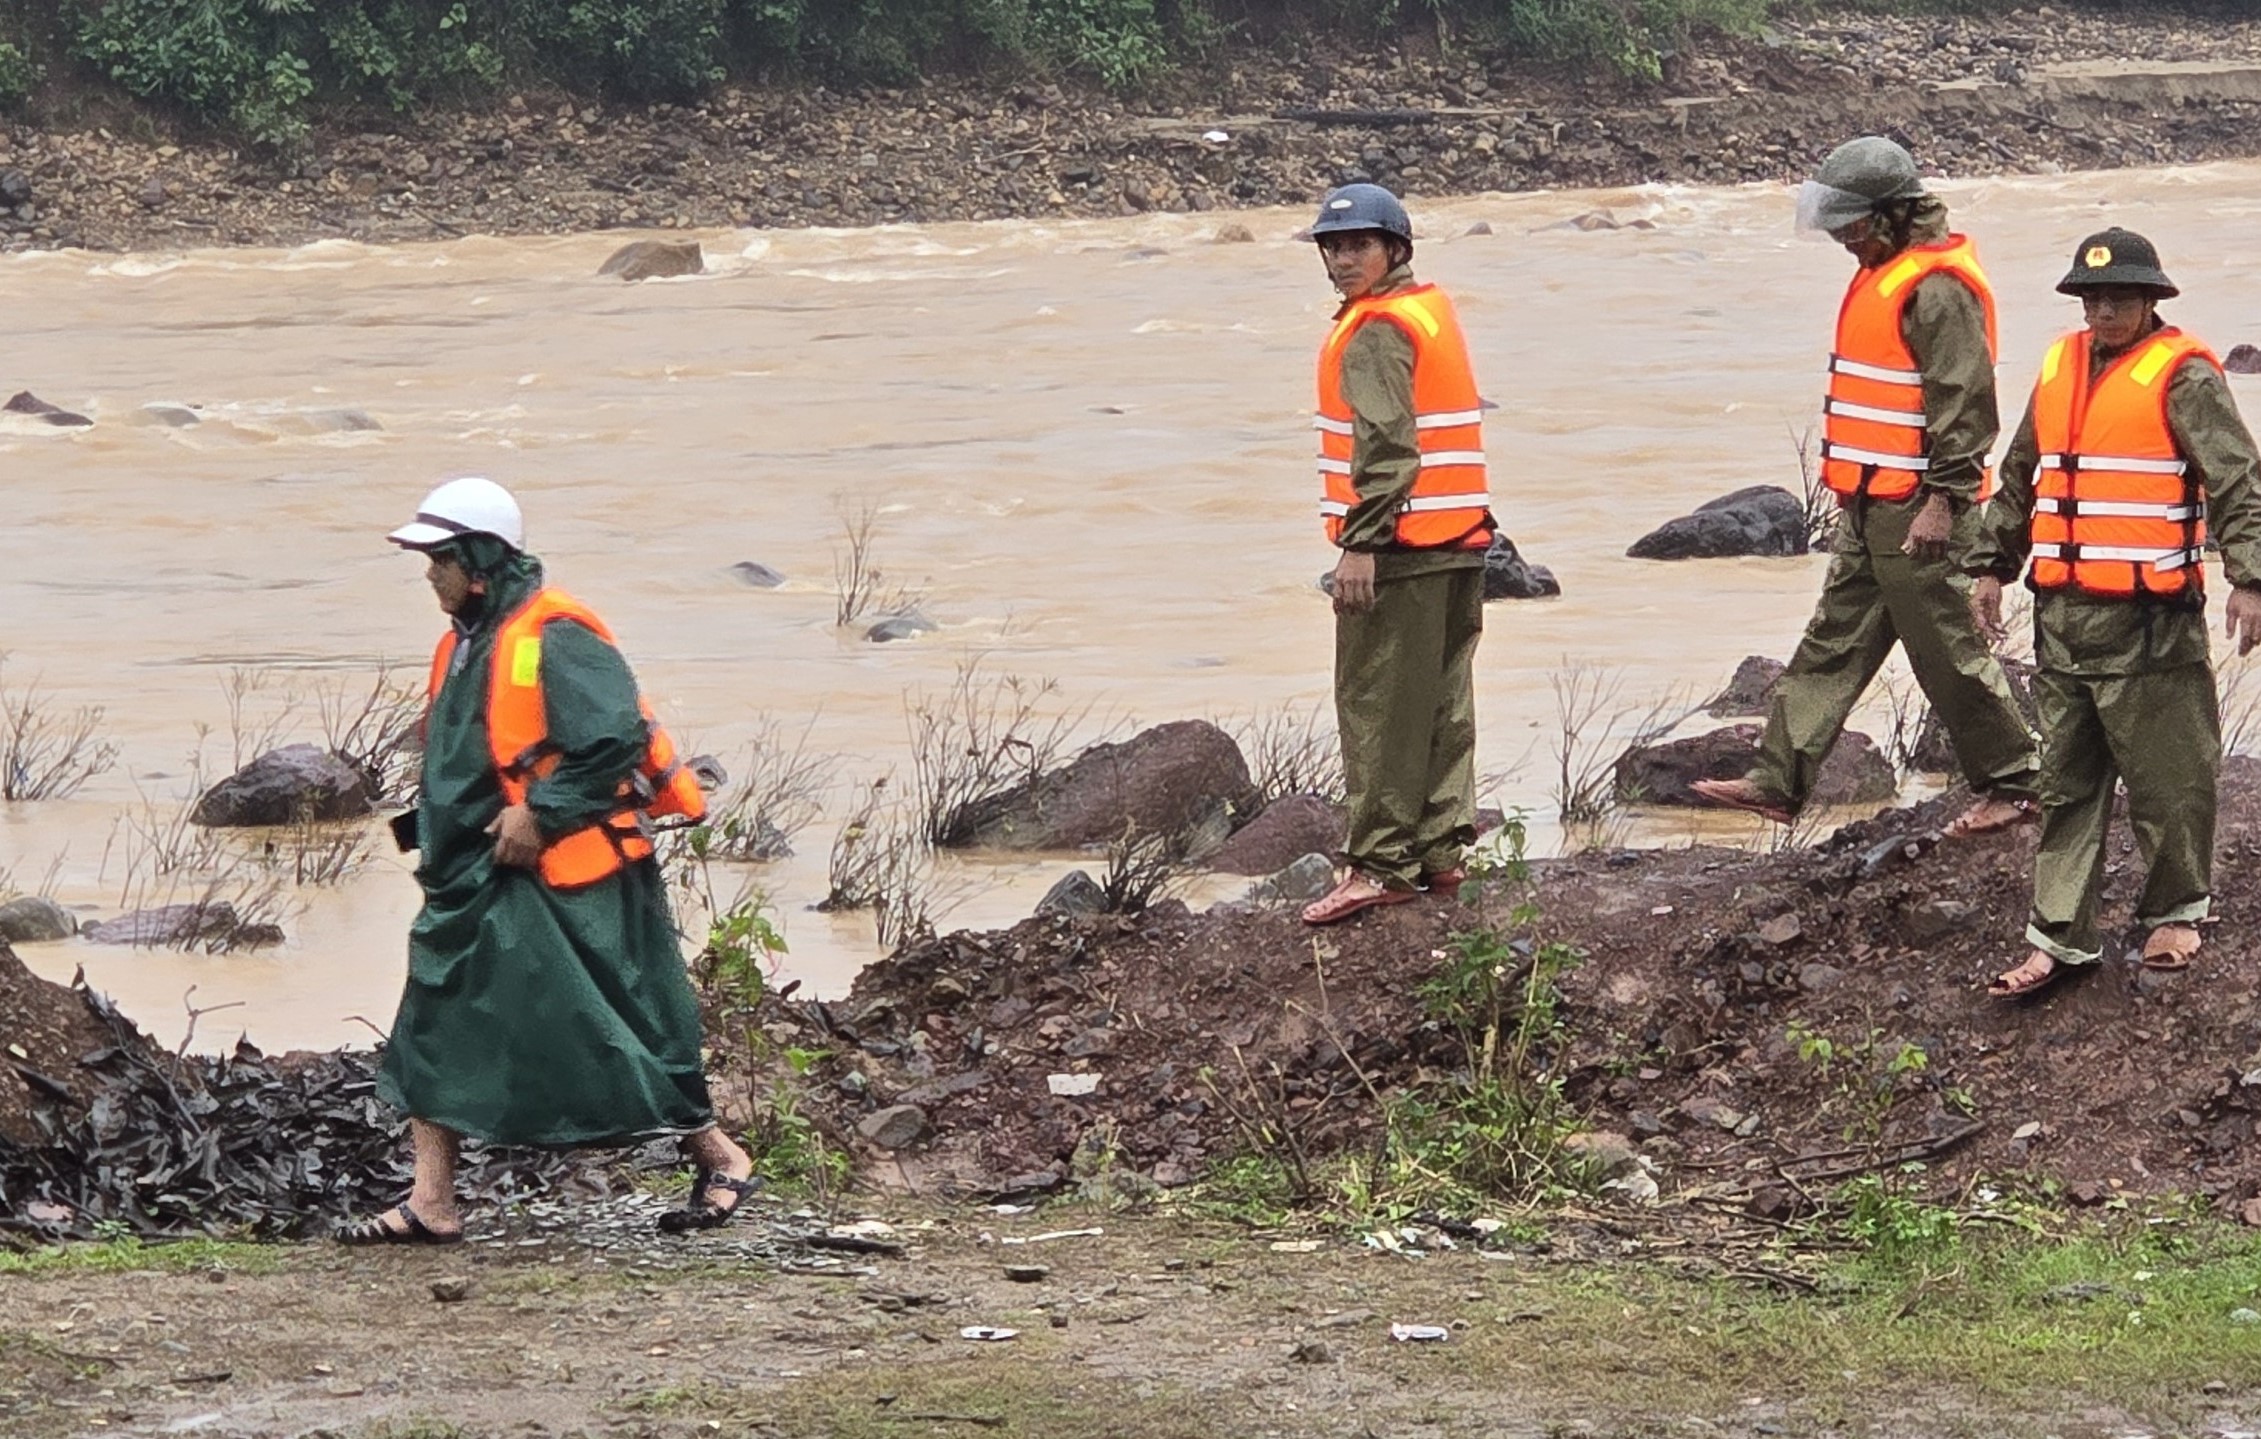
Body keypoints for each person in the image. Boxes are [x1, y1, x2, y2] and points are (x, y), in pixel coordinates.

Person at [340, 476, 758, 1243]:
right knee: (432, 1022)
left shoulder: (556, 635)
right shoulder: (463, 644)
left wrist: (541, 812)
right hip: (475, 877)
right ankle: (432, 1200)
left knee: (613, 1030)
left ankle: (721, 1155)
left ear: (479, 562)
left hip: (568, 880)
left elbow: (615, 738)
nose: (428, 574)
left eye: (439, 559)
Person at [1692, 137, 2039, 836]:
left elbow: (1965, 406)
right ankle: (1777, 780)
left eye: (1852, 225)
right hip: (1868, 504)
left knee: (1948, 653)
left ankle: (2018, 781)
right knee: (1832, 641)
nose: (1844, 239)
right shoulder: (1885, 272)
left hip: (1919, 509)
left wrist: (1943, 501)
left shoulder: (1936, 288)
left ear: (1893, 213)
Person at [1971, 230, 2261, 997]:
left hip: (2149, 626)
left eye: (2118, 298)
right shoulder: (2058, 366)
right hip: (2062, 622)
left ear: (2150, 300)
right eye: (2092, 298)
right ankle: (2058, 937)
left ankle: (2175, 911)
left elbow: (2236, 479)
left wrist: (2249, 577)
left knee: (2169, 778)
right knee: (2066, 784)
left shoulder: (2184, 376)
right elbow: (2020, 474)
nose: (2102, 311)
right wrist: (1991, 566)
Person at [1297, 183, 1497, 926]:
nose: (1343, 260)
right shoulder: (1428, 310)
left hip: (1401, 549)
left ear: (1394, 250)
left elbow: (1388, 449)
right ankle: (1440, 851)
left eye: (1359, 246)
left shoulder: (1377, 330)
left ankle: (1381, 864)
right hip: (1457, 542)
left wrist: (1360, 544)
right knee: (1442, 701)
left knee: (1378, 706)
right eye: (1333, 248)